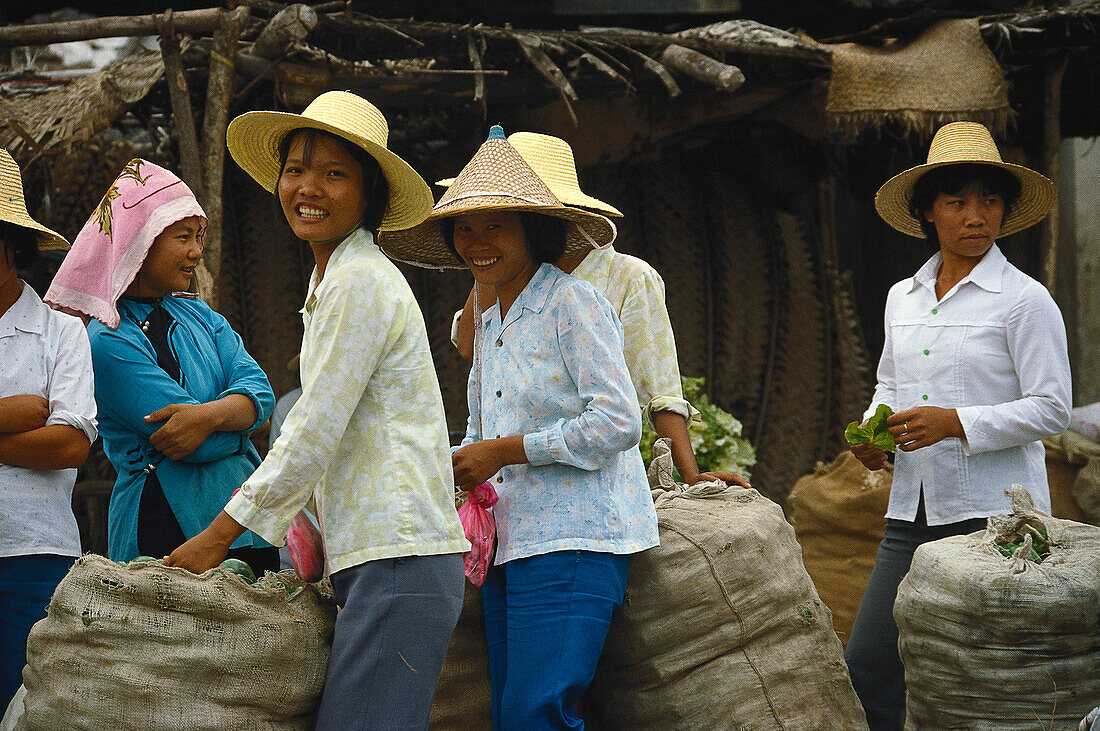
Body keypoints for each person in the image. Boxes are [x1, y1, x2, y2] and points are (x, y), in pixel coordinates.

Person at [163, 91, 469, 729]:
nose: (308, 187)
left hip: (400, 554)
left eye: (334, 174)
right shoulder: (335, 278)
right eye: (297, 169)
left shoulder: (358, 282)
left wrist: (218, 538)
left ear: (368, 195)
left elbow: (310, 431)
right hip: (382, 554)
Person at [379, 126, 660, 730]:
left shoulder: (573, 304)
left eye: (495, 226)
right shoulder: (489, 317)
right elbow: (479, 429)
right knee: (514, 712)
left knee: (538, 712)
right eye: (465, 227)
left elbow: (617, 422)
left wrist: (505, 450)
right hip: (512, 541)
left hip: (577, 539)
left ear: (534, 229)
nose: (476, 242)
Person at [845, 121, 1071, 730]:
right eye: (957, 202)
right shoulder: (904, 296)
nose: (976, 216)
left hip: (995, 515)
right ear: (928, 213)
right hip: (911, 509)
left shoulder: (1024, 300)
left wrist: (955, 423)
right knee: (871, 661)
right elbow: (889, 386)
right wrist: (874, 432)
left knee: (984, 673)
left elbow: (1052, 407)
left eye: (989, 201)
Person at [446, 132, 749, 488]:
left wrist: (690, 475)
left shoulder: (625, 277)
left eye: (500, 218)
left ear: (541, 218)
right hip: (512, 489)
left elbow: (656, 386)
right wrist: (488, 259)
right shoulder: (503, 273)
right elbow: (469, 346)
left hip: (589, 480)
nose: (482, 232)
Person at [44, 159, 278, 572]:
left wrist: (206, 416)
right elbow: (195, 443)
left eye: (198, 237)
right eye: (183, 237)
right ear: (140, 240)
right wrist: (241, 422)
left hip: (245, 523)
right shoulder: (108, 340)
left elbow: (264, 395)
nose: (196, 250)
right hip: (165, 529)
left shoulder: (204, 317)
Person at [0, 149, 97, 706]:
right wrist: (13, 415)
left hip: (35, 556)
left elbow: (67, 444)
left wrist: (36, 424)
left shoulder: (61, 332)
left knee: (29, 708)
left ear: (11, 245)